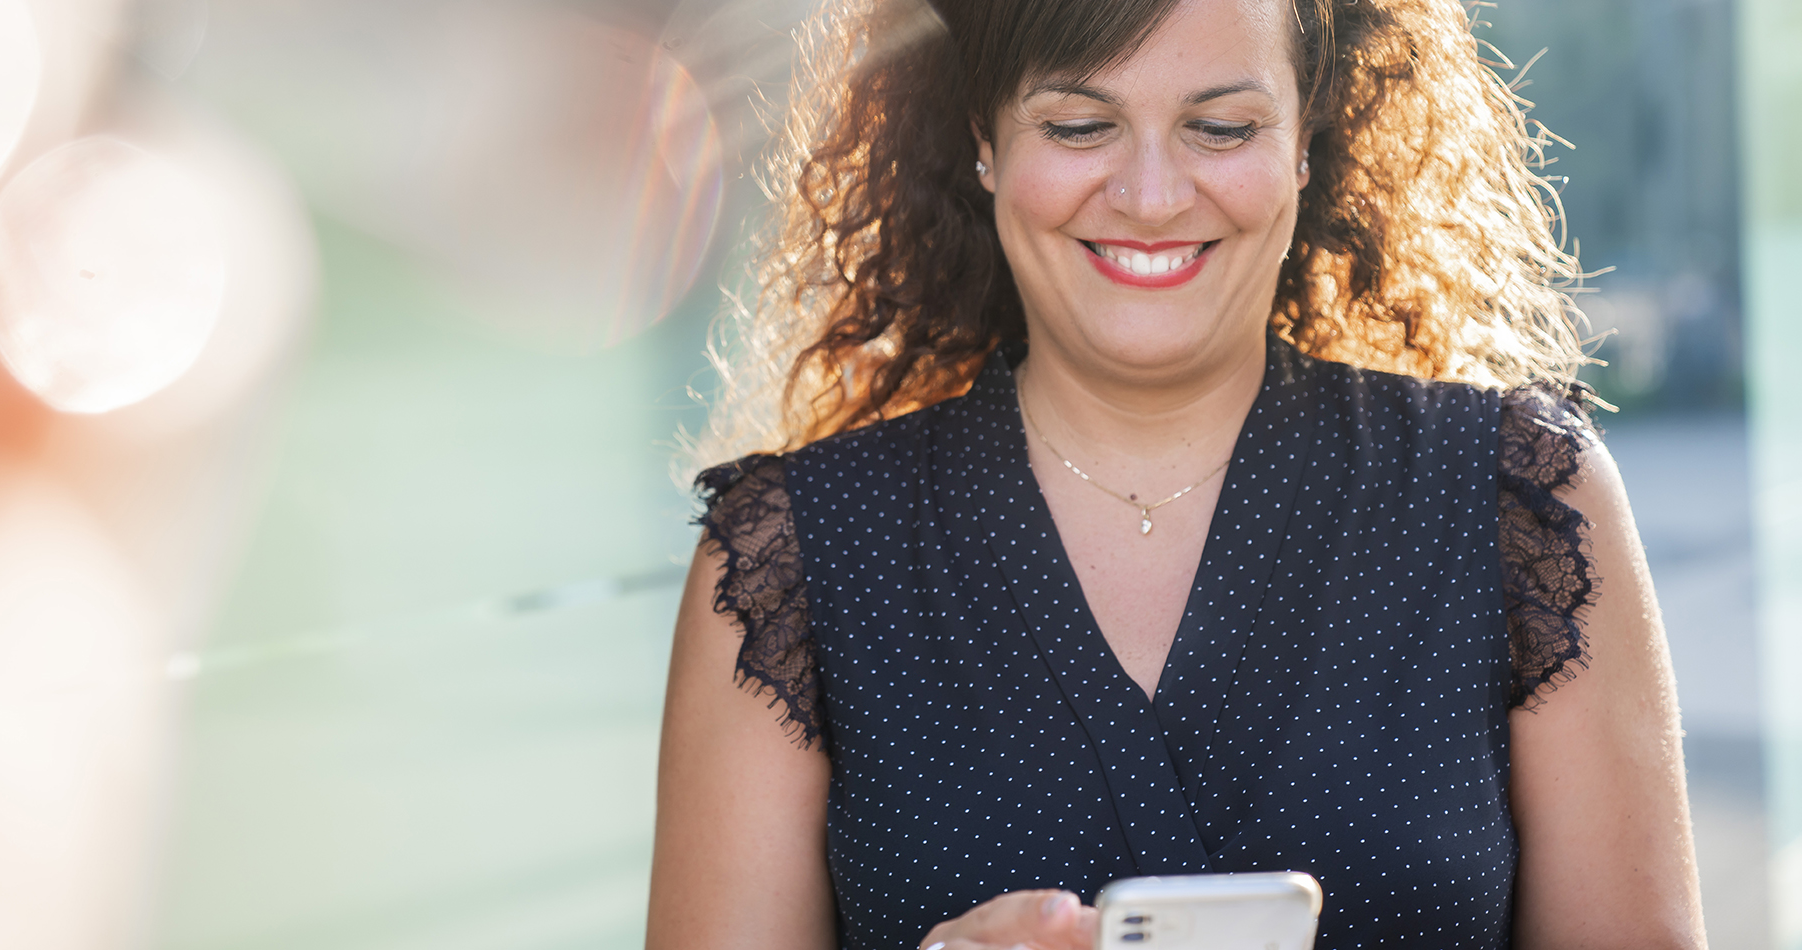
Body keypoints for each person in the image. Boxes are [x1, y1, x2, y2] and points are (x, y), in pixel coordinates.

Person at [647, 0, 1704, 947]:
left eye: (1222, 126)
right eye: (1077, 125)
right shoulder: (790, 558)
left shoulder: (1520, 501)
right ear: (983, 140)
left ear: (1304, 139)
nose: (1151, 195)